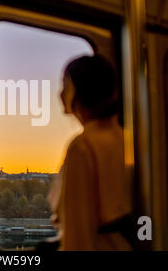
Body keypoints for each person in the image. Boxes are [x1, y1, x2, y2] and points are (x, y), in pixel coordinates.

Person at [47, 54, 132, 251]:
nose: (60, 94)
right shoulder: (124, 139)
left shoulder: (82, 147)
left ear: (77, 90)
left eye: (65, 85)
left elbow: (78, 236)